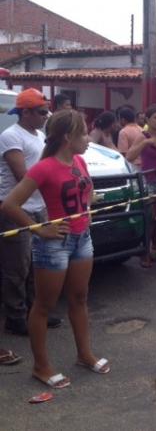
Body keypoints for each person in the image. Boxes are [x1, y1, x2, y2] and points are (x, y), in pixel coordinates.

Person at [1, 109, 109, 389]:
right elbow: (10, 205)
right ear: (66, 137)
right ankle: (41, 366)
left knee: (80, 298)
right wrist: (40, 229)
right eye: (83, 133)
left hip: (82, 239)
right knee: (44, 306)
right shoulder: (44, 167)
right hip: (54, 245)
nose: (88, 138)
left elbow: (85, 193)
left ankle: (84, 354)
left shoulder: (80, 161)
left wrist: (88, 208)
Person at [0, 88, 62, 336]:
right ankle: (15, 317)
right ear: (25, 113)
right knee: (17, 267)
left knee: (36, 263)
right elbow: (22, 175)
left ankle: (35, 312)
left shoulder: (38, 134)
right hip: (16, 208)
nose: (45, 116)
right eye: (41, 112)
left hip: (38, 206)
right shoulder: (11, 136)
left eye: (47, 112)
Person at [126, 107, 156, 268]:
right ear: (148, 120)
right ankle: (144, 253)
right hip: (148, 181)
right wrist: (146, 143)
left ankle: (150, 249)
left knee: (155, 219)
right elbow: (129, 156)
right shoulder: (143, 136)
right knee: (148, 218)